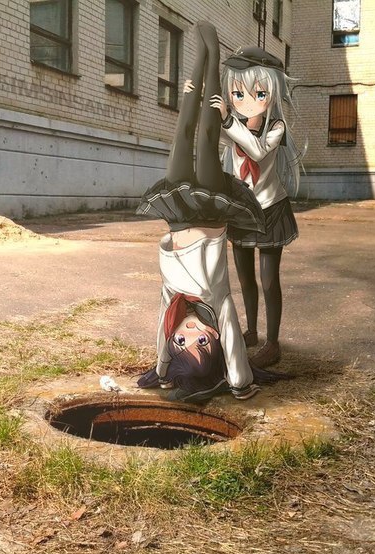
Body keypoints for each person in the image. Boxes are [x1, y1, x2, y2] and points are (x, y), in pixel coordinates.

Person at [135, 21, 268, 403]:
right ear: (215, 340)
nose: (190, 332)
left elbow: (162, 335)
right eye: (202, 342)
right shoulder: (218, 304)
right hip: (210, 213)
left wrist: (162, 371)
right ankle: (213, 59)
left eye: (182, 341)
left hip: (178, 215)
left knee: (181, 136)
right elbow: (234, 343)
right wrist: (240, 383)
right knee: (207, 138)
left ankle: (198, 61)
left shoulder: (172, 302)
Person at [210, 46, 302, 368]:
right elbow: (215, 140)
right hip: (242, 211)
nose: (247, 101)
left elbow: (257, 151)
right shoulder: (232, 125)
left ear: (271, 93)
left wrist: (227, 121)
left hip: (270, 210)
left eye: (258, 93)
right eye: (238, 94)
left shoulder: (276, 128)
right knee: (245, 279)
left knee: (269, 280)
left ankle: (272, 343)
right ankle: (251, 332)